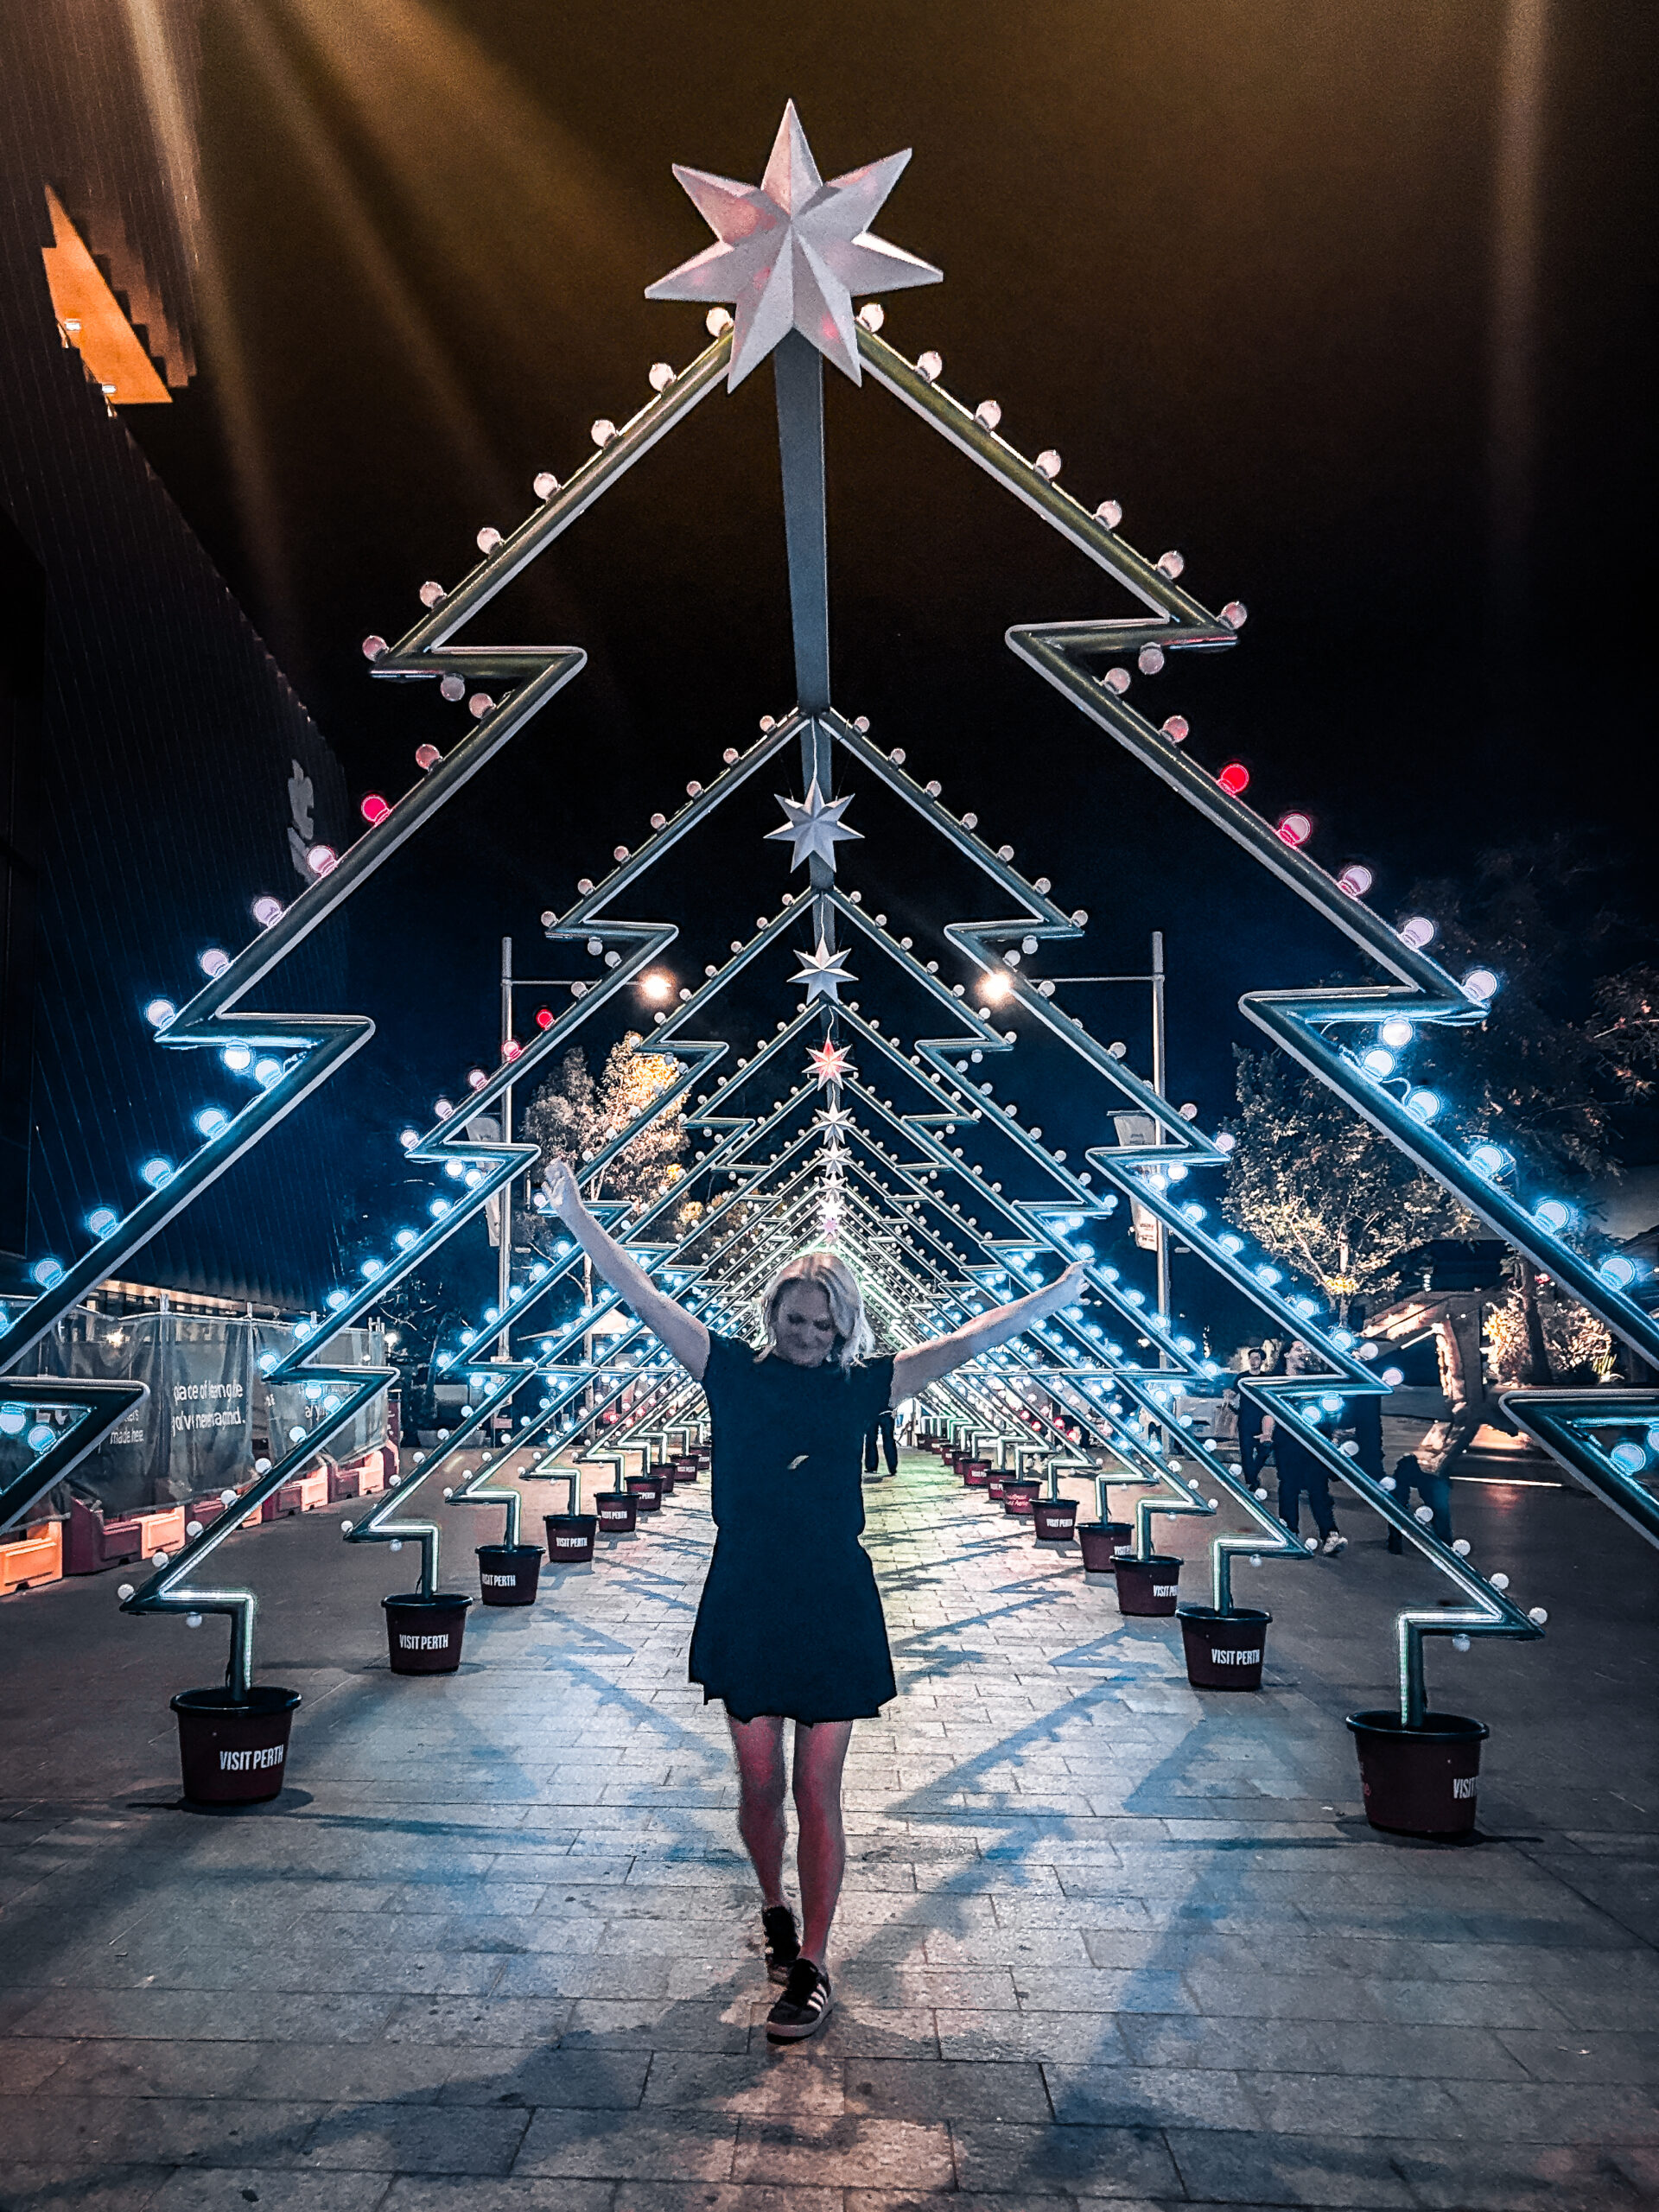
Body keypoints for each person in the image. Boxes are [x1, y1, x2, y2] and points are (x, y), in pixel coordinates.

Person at [541, 1157, 1085, 2043]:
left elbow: (967, 1342)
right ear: (773, 1316)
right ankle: (774, 1907)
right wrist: (575, 1219)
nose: (804, 1334)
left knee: (815, 1785)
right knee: (758, 1782)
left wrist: (1051, 1299)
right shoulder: (729, 1370)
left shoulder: (862, 1384)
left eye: (819, 1323)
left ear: (842, 1325)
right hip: (749, 1590)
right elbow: (641, 1295)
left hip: (832, 1594)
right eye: (793, 1319)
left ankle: (816, 1963)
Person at [1262, 1340, 1346, 1555]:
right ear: (1286, 1355)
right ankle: (1290, 1533)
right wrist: (1267, 1434)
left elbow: (1331, 1407)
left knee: (1318, 1487)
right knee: (1289, 1485)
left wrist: (1335, 1433)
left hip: (1315, 1439)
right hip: (1288, 1441)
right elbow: (1268, 1411)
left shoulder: (1316, 1379)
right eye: (1298, 1349)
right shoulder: (1277, 1381)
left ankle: (1330, 1535)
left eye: (1306, 1350)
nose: (1304, 1353)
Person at [863, 1407, 898, 1479]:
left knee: (870, 1439)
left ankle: (871, 1466)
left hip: (871, 1411)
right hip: (887, 1411)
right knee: (888, 1439)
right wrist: (895, 1409)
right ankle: (892, 1467)